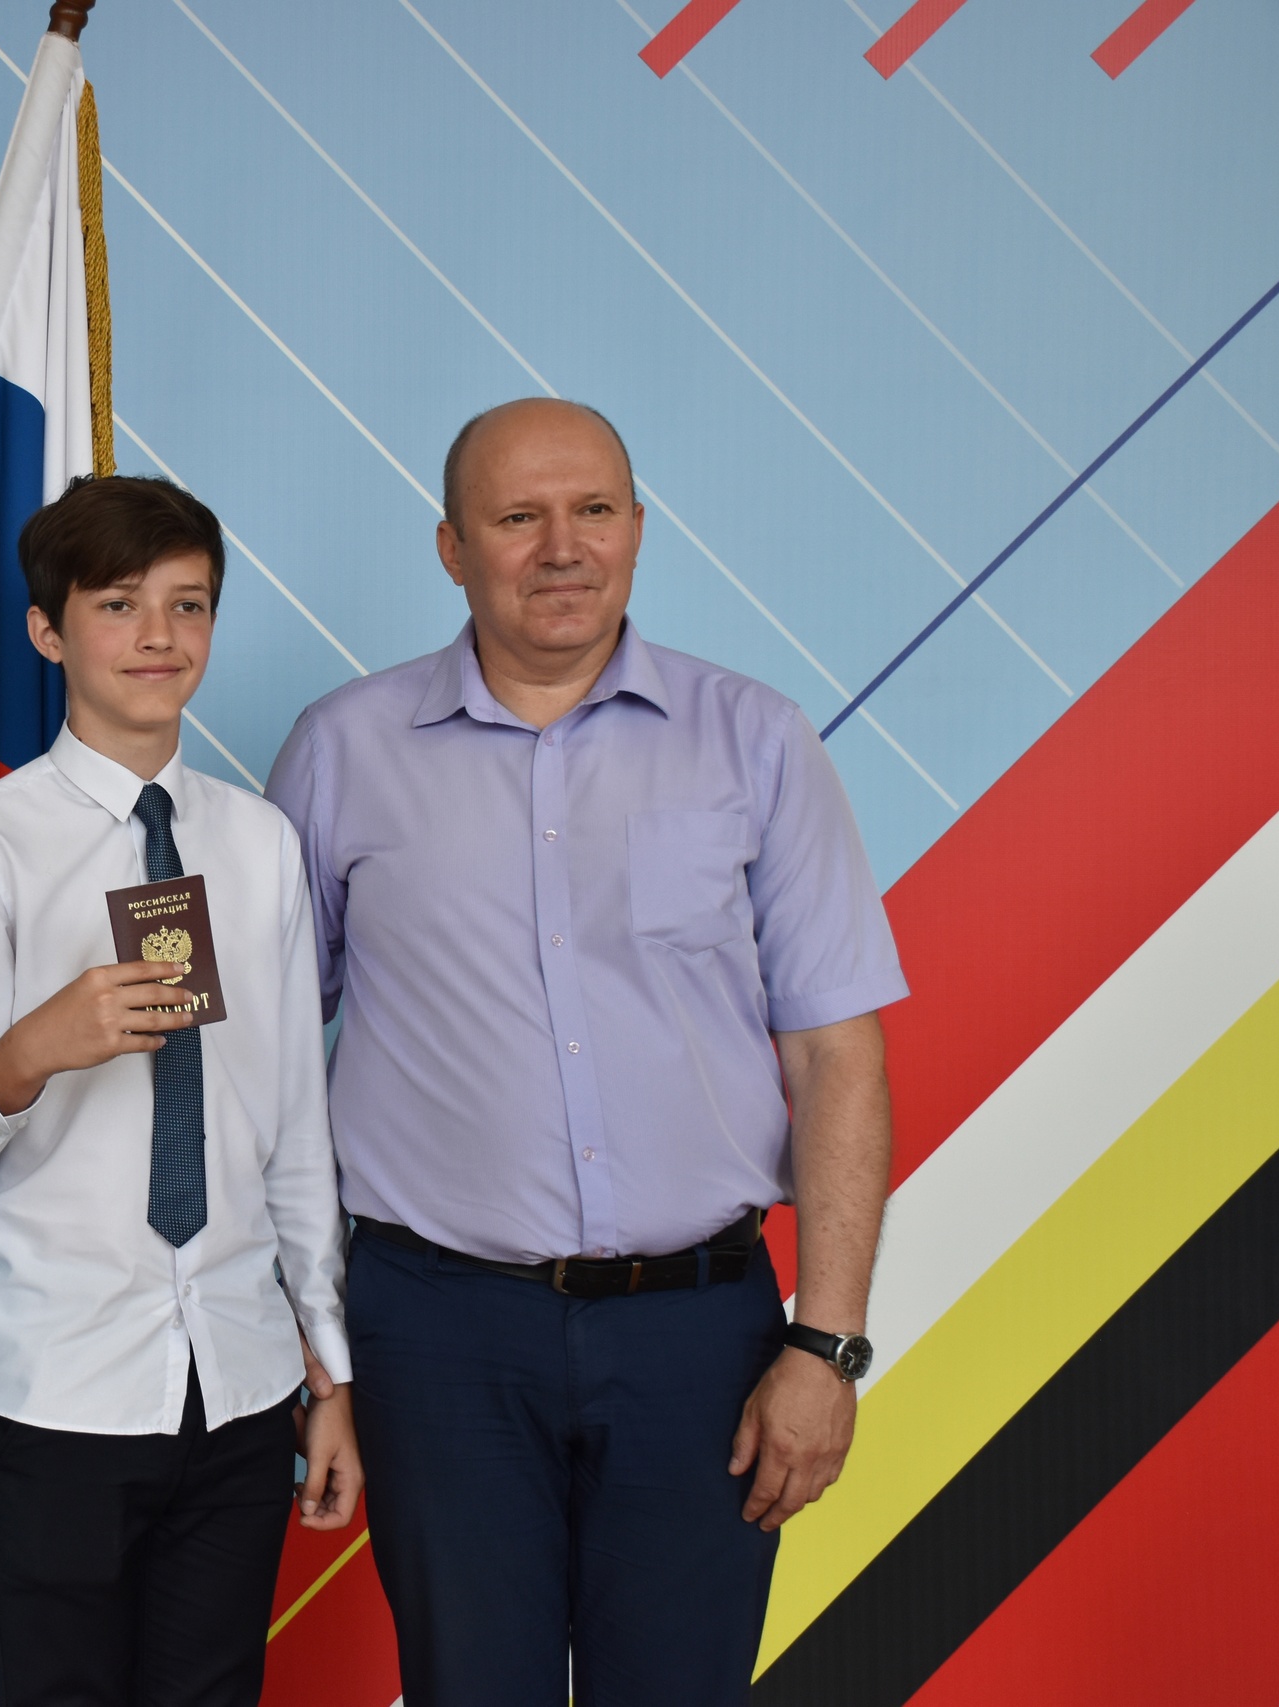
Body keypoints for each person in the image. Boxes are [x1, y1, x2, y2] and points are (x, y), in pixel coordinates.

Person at [265, 398, 903, 1705]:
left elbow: (837, 1057)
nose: (563, 547)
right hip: (436, 1333)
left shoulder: (757, 739)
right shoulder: (341, 748)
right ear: (452, 547)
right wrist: (313, 1347)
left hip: (701, 1340)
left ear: (638, 528)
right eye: (519, 517)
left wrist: (827, 1343)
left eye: (594, 510)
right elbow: (261, 1063)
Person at [0, 474, 362, 1707]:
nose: (159, 636)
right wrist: (32, 1049)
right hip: (57, 1388)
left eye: (187, 604)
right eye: (117, 604)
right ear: (47, 631)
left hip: (240, 1381)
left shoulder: (258, 842)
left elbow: (292, 1131)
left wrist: (327, 1371)